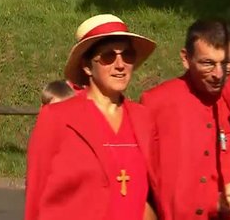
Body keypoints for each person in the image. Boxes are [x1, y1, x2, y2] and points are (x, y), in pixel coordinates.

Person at [26, 14, 161, 220]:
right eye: (108, 56)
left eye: (128, 55)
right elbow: (36, 197)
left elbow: (154, 196)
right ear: (87, 66)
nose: (120, 64)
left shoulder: (144, 119)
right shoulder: (56, 118)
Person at [141, 19, 230, 220]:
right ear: (186, 58)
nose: (218, 74)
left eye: (226, 63)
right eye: (208, 63)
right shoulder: (157, 103)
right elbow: (160, 185)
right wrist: (214, 202)